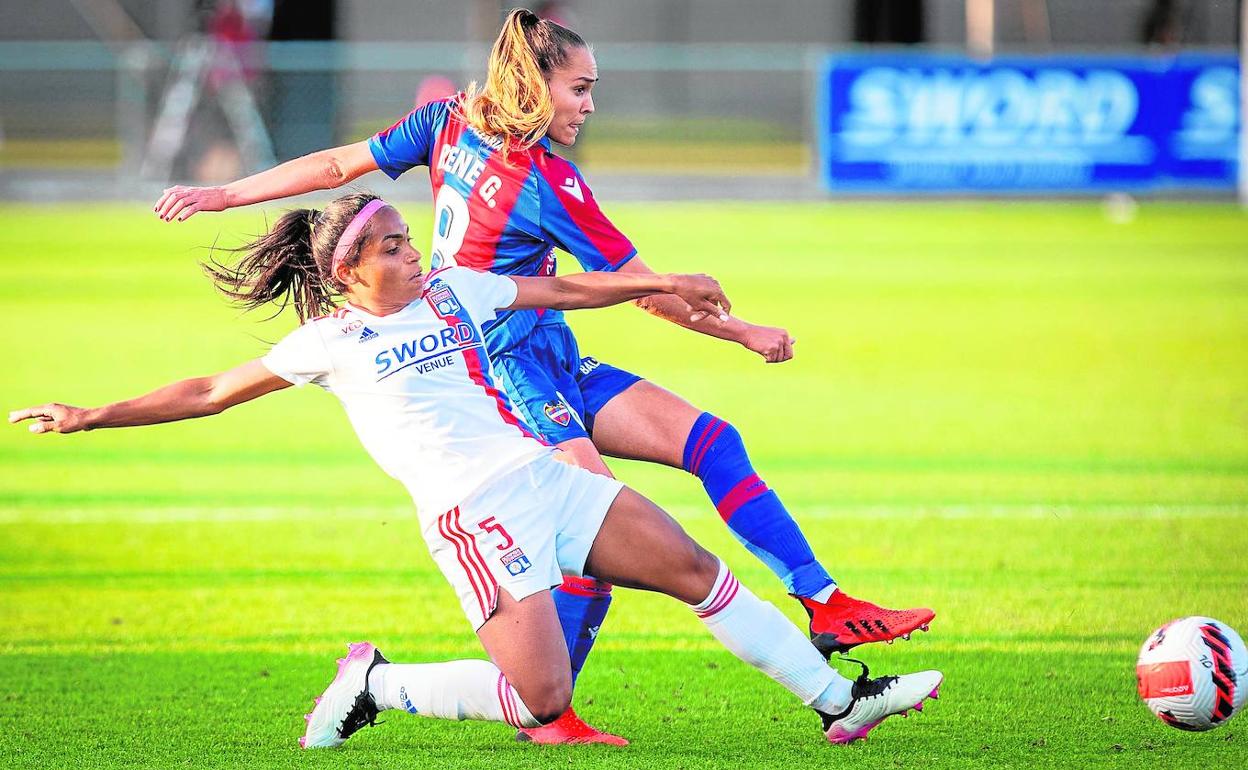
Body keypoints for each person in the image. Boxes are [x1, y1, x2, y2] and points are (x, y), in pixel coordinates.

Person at [151, 8, 935, 744]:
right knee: (593, 539)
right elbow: (645, 292)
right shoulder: (546, 180)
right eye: (581, 88)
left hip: (547, 348)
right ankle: (545, 710)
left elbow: (335, 162)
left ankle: (825, 607)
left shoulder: (450, 124)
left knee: (710, 443)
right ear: (536, 84)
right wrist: (741, 332)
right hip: (495, 369)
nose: (590, 104)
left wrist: (226, 194)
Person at [10, 193, 942, 749]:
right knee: (538, 700)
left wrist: (667, 282)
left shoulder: (455, 289)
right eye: (389, 247)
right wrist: (91, 415)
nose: (412, 253)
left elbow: (566, 286)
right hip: (473, 519)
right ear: (345, 273)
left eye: (409, 239)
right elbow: (211, 388)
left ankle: (843, 702)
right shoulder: (330, 341)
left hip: (548, 481)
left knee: (697, 571)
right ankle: (375, 686)